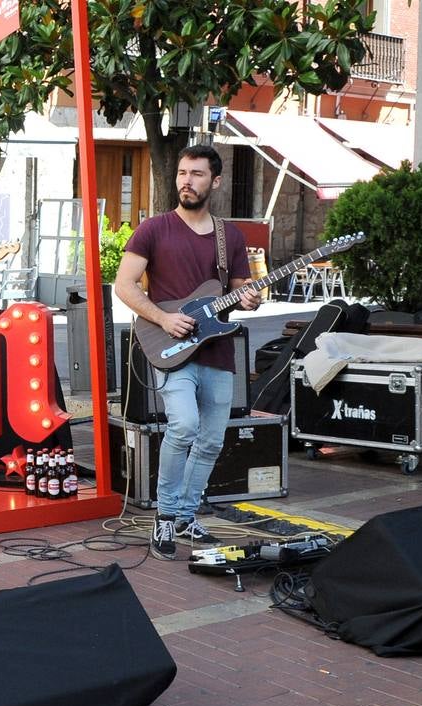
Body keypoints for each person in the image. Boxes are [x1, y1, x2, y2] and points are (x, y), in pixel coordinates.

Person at [115, 143, 258, 560]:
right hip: (173, 349)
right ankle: (164, 515)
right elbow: (124, 285)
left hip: (217, 352)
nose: (187, 181)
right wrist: (162, 319)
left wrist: (250, 299)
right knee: (183, 427)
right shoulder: (154, 229)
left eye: (196, 174)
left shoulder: (229, 236)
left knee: (211, 440)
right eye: (182, 173)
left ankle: (186, 515)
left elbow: (238, 292)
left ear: (215, 181)